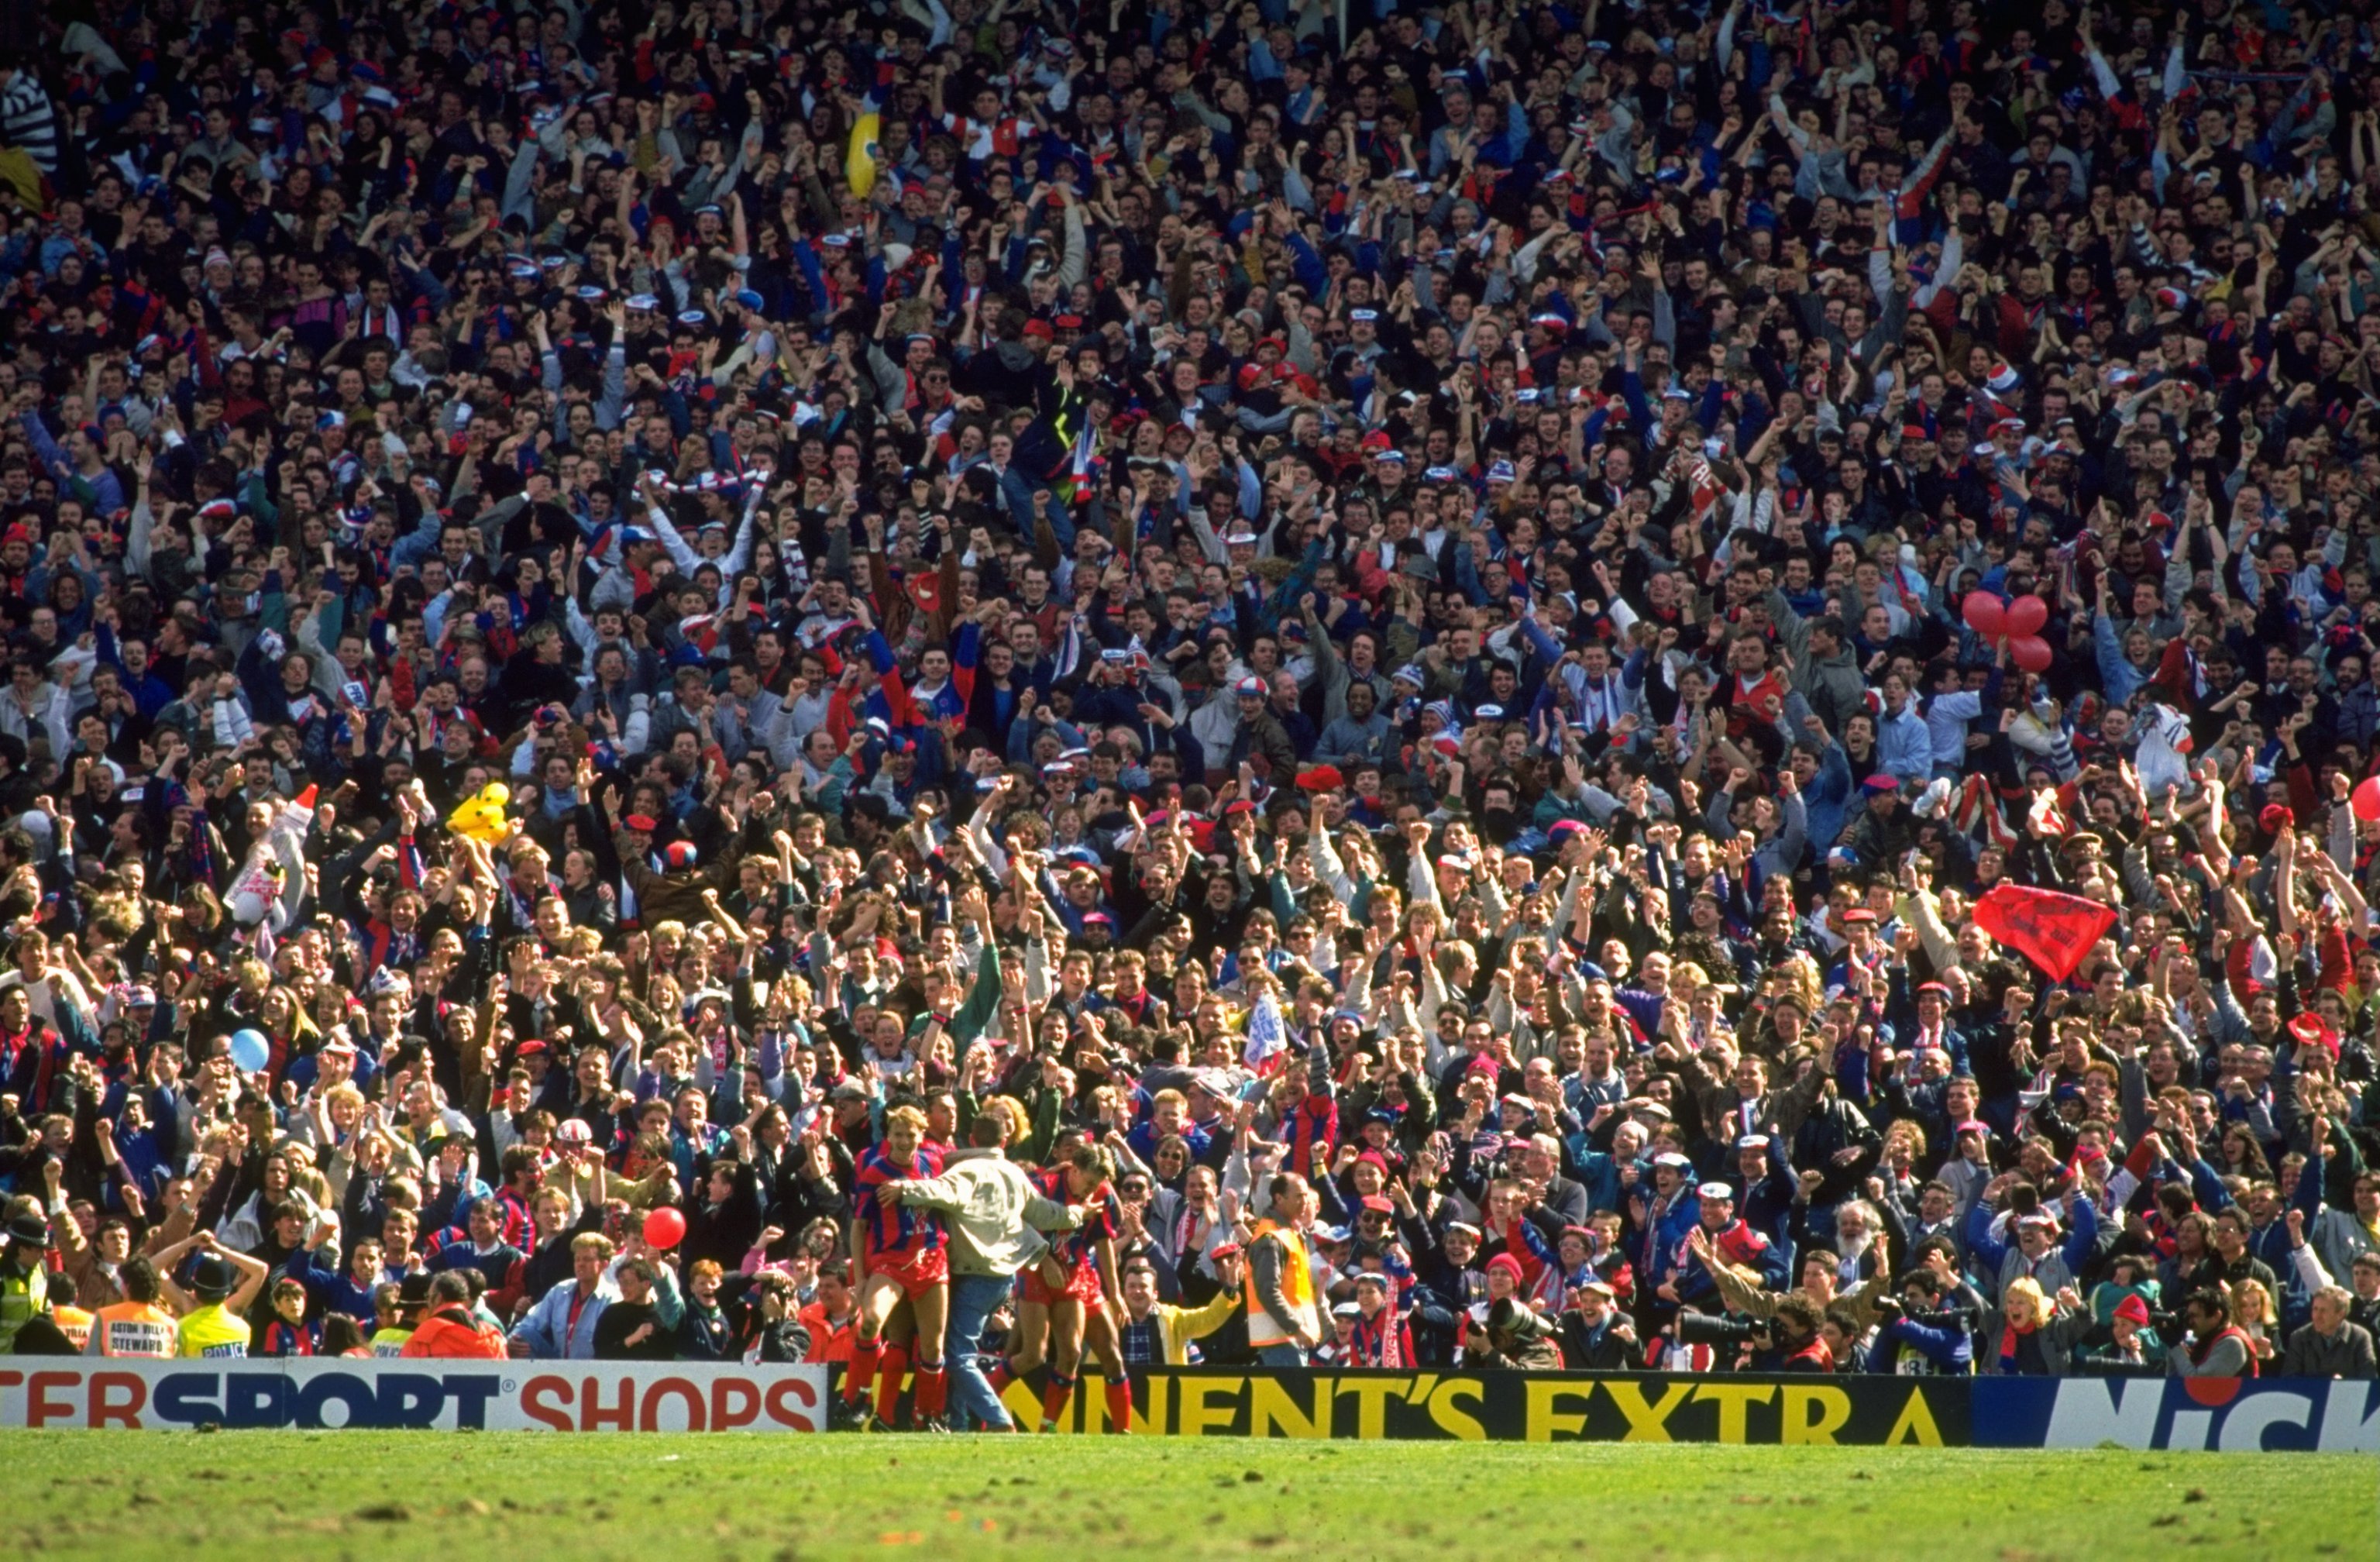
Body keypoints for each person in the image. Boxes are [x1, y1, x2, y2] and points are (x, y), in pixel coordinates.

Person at [886, 1113, 1083, 1431]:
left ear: (972, 1140)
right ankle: (957, 1423)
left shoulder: (967, 1170)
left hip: (975, 1276)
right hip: (1004, 1280)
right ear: (1005, 1141)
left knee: (957, 1356)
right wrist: (1076, 1214)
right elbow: (1045, 1215)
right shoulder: (1015, 1174)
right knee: (953, 1354)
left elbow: (939, 1192)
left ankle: (997, 1419)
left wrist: (901, 1189)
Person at [1243, 1174, 1325, 1368]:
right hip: (1281, 1339)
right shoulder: (1272, 1239)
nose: (1305, 1202)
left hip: (1289, 1337)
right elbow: (1268, 1291)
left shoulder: (1287, 1234)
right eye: (1298, 1196)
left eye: (1306, 1196)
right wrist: (1296, 1327)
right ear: (1279, 1198)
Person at [401, 1271, 509, 1358]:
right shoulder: (492, 1337)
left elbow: (407, 1381)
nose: (428, 1303)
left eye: (428, 1297)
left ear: (439, 1298)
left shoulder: (422, 1338)